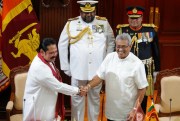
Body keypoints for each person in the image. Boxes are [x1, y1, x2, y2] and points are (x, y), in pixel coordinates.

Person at [58, 0, 115, 120]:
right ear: (80, 11)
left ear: (95, 10)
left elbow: (111, 42)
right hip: (77, 70)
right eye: (85, 13)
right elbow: (62, 45)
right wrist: (65, 67)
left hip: (97, 70)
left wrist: (106, 63)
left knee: (94, 100)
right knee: (77, 100)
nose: (89, 15)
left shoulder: (103, 22)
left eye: (91, 12)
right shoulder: (72, 23)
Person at [82, 33, 148, 121]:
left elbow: (142, 89)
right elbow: (99, 76)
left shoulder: (137, 64)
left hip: (128, 114)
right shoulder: (109, 57)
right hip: (111, 112)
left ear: (130, 46)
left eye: (124, 46)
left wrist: (135, 109)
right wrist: (88, 86)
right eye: (118, 46)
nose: (120, 49)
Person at [23, 38, 82, 121]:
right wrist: (78, 91)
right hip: (37, 108)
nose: (55, 55)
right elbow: (58, 86)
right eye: (51, 53)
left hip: (46, 104)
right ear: (42, 52)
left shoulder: (45, 58)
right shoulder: (39, 68)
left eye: (56, 51)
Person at [116, 6, 160, 113]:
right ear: (128, 18)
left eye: (137, 18)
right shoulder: (121, 31)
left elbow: (156, 52)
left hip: (145, 68)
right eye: (131, 18)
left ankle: (141, 116)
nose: (134, 21)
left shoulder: (150, 30)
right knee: (126, 92)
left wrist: (156, 70)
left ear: (142, 18)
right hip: (127, 67)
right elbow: (116, 51)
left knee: (143, 94)